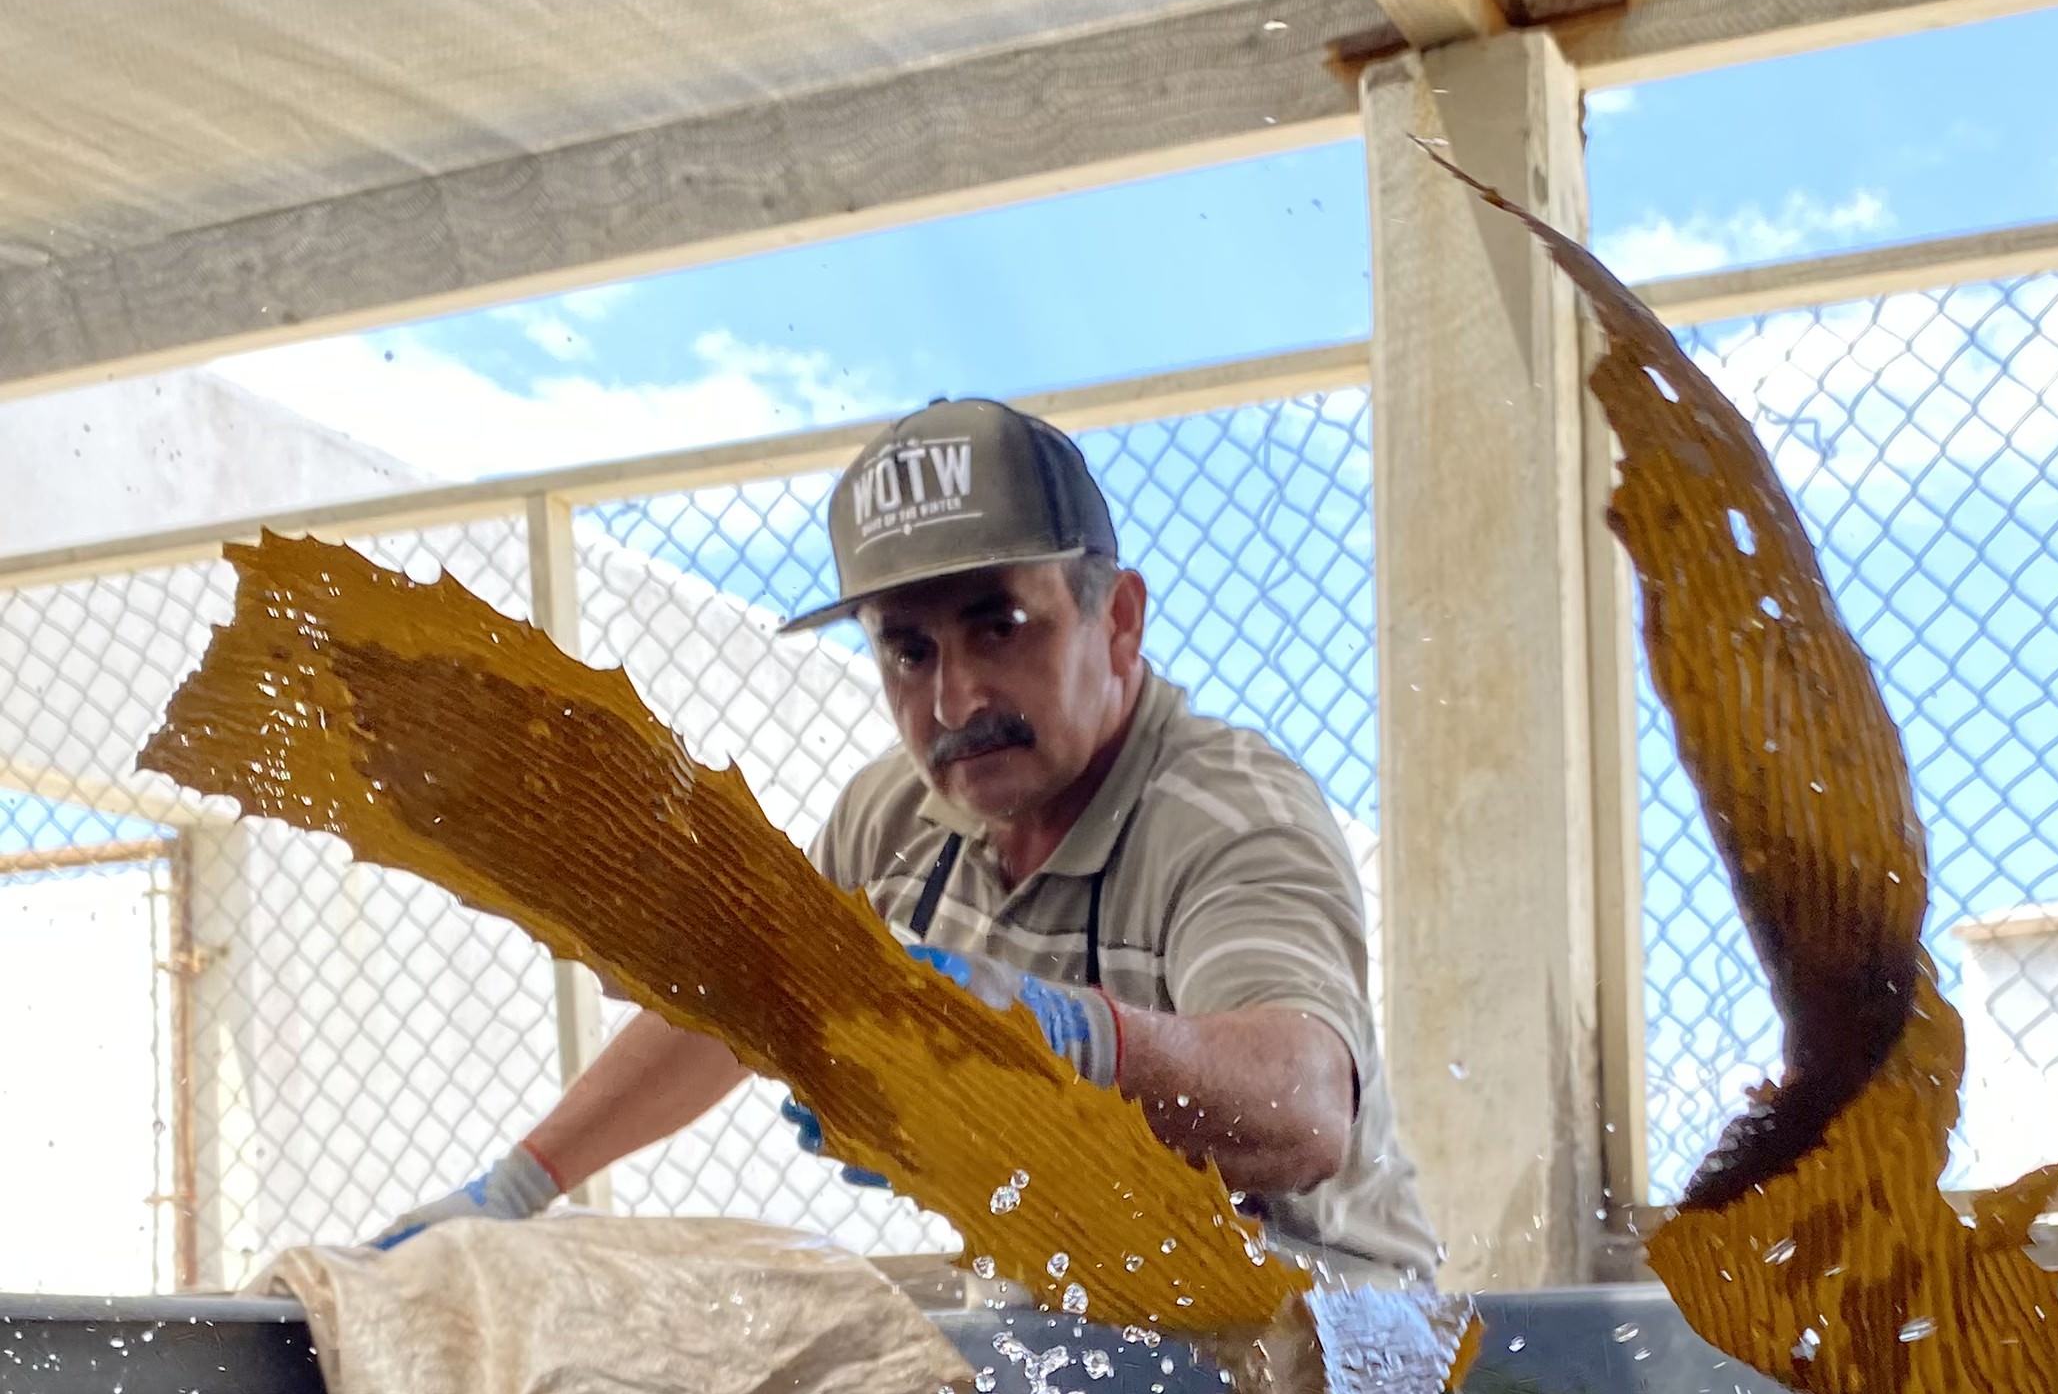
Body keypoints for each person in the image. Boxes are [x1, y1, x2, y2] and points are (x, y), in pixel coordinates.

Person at [379, 399, 1438, 1283]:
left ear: (1116, 622)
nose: (956, 698)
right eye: (907, 649)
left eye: (998, 627)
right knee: (746, 1324)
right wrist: (516, 1188)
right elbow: (738, 1005)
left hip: (1327, 1326)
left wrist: (1065, 1042)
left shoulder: (1231, 810)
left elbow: (1303, 1112)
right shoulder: (894, 820)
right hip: (1073, 1300)